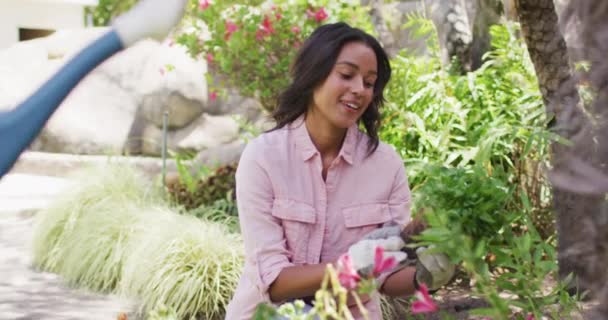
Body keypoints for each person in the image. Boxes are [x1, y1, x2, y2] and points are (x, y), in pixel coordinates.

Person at [225, 22, 453, 319]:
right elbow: (275, 282)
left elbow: (386, 276)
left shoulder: (386, 164)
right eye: (346, 75)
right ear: (313, 75)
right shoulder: (263, 158)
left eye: (369, 83)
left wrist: (428, 274)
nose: (359, 89)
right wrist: (352, 265)